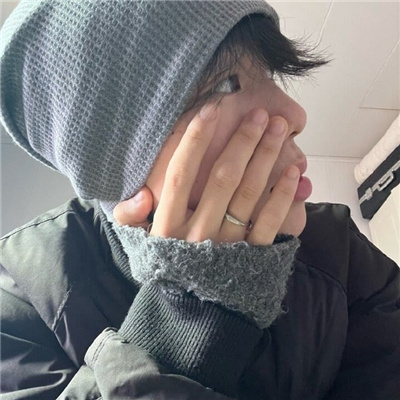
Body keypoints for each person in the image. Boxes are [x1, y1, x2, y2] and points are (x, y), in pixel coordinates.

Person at [0, 1, 399, 399]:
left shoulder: (337, 245)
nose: (296, 115)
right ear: (111, 158)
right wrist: (189, 312)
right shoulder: (22, 297)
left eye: (268, 73)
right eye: (225, 84)